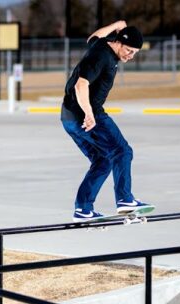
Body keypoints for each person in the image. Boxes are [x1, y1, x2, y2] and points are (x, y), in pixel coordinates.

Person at [61, 20, 153, 221]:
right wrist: (88, 113)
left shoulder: (100, 44)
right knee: (122, 151)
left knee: (103, 161)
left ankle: (83, 209)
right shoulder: (101, 56)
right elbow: (80, 85)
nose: (130, 56)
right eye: (128, 51)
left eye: (134, 54)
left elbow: (93, 35)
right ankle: (125, 200)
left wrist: (119, 24)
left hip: (68, 118)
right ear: (118, 43)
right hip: (87, 115)